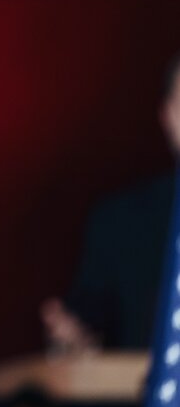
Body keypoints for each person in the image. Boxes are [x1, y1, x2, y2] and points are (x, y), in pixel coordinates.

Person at [39, 55, 180, 354]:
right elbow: (87, 321)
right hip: (143, 395)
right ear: (168, 116)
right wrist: (73, 338)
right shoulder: (120, 222)